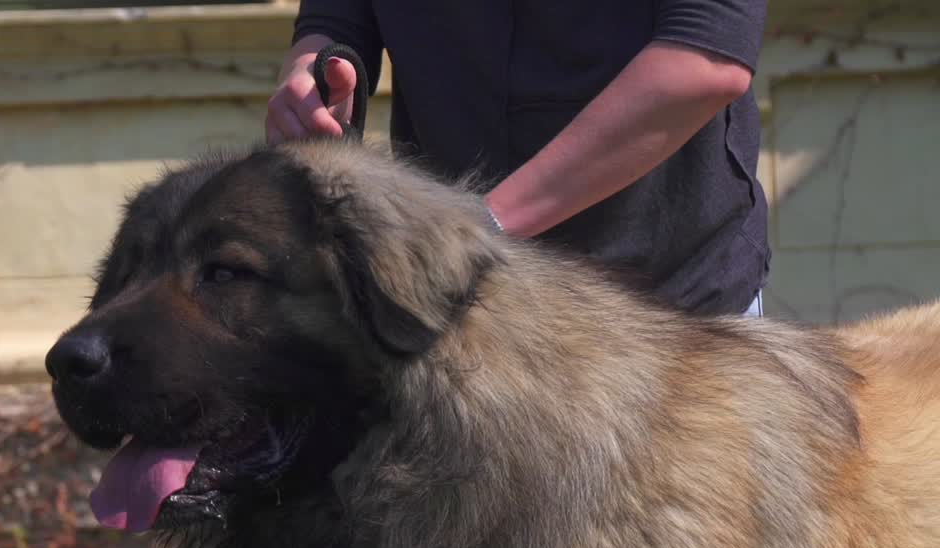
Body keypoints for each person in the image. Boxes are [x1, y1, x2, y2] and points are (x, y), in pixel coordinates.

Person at [266, 2, 770, 318]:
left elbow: (707, 61)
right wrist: (310, 76)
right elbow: (335, 20)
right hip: (470, 314)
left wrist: (480, 227)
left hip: (672, 309)